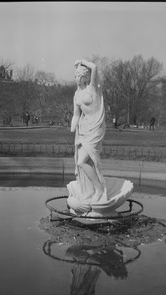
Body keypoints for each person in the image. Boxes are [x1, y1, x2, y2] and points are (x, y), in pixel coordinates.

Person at [70, 59, 106, 203]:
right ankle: (90, 189)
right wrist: (73, 128)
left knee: (83, 161)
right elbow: (76, 114)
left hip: (96, 127)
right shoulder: (76, 95)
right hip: (84, 129)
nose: (78, 79)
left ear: (86, 77)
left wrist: (81, 61)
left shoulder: (92, 88)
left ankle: (99, 189)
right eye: (76, 76)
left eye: (80, 76)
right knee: (83, 161)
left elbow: (95, 67)